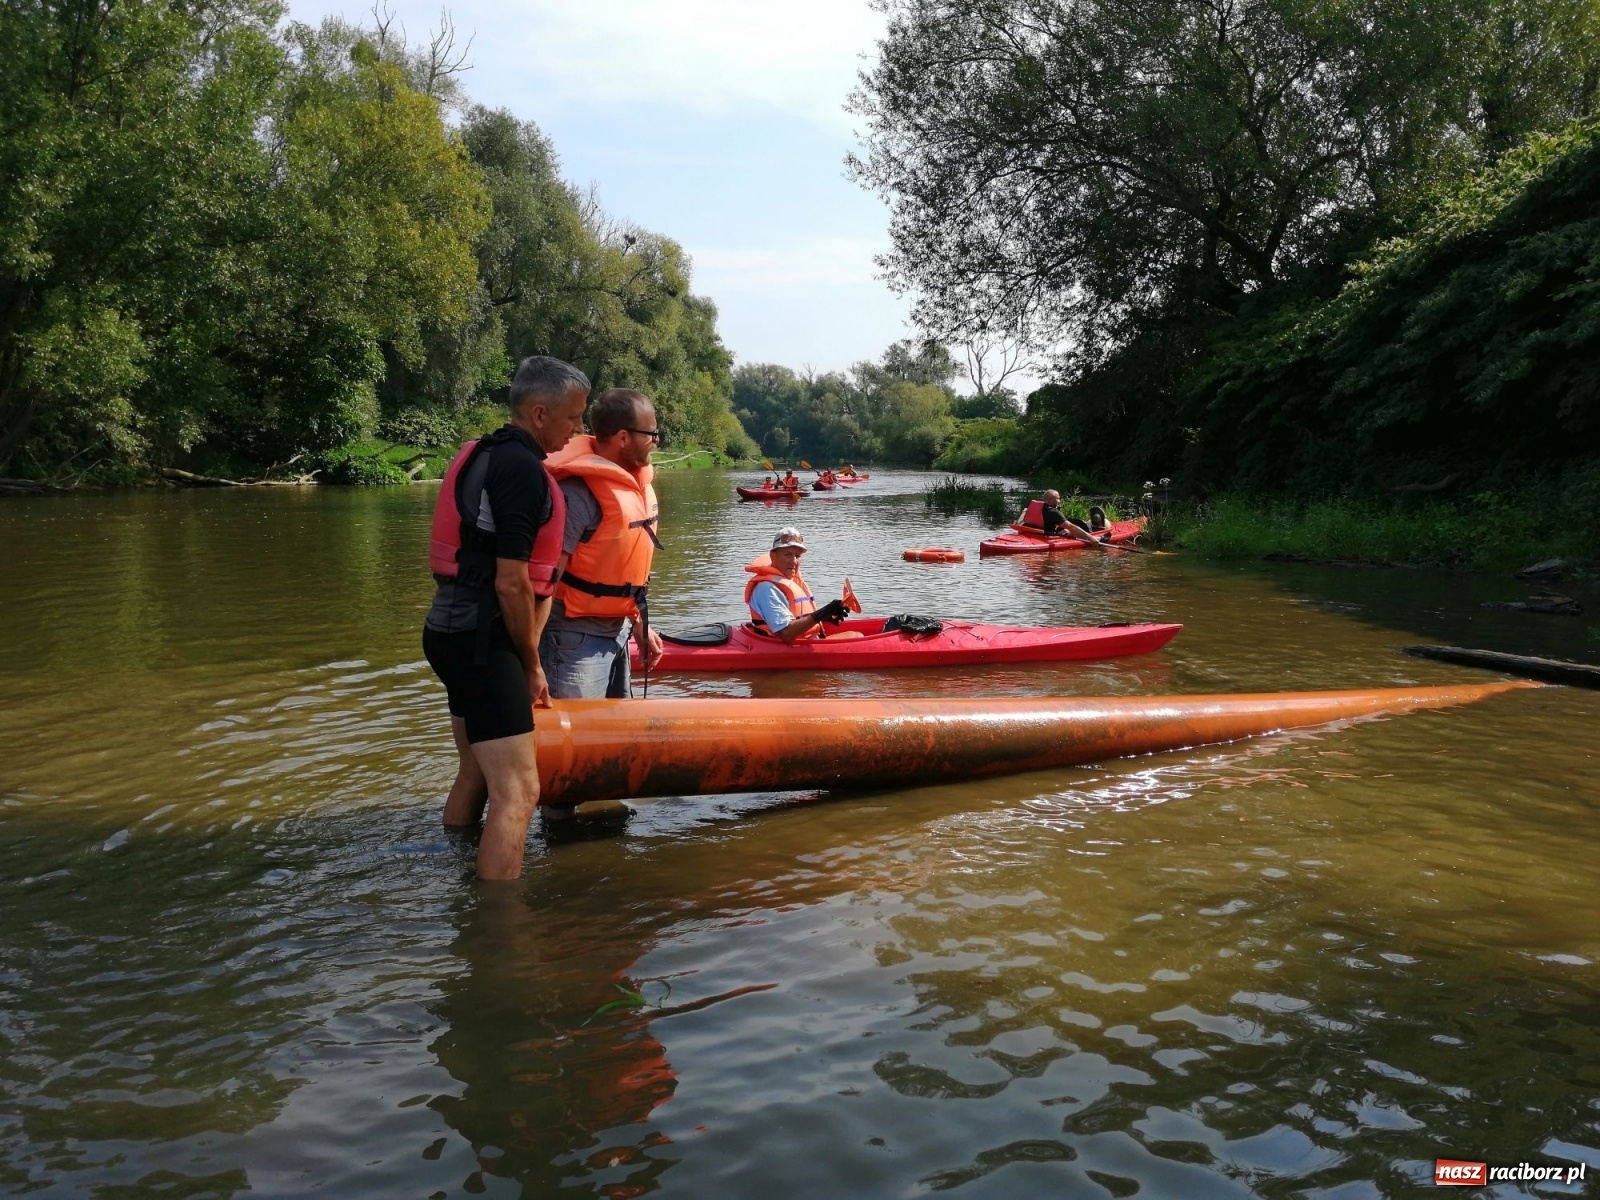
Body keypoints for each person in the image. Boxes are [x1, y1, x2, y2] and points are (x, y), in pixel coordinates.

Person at [422, 355, 589, 879]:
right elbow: (512, 581)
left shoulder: (480, 452)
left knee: (477, 767)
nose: (578, 429)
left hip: (448, 631)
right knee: (519, 790)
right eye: (572, 418)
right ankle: (499, 933)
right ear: (539, 414)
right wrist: (531, 663)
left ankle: (454, 868)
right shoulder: (521, 470)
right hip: (482, 641)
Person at [539, 388, 666, 697]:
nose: (656, 440)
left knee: (614, 740)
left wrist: (637, 621)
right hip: (573, 640)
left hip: (618, 632)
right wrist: (529, 661)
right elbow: (543, 582)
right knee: (576, 741)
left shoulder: (635, 482)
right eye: (651, 433)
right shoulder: (578, 494)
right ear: (623, 437)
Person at [743, 528, 860, 643]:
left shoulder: (790, 581)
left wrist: (826, 617)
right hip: (785, 651)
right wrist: (822, 613)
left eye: (798, 556)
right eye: (787, 554)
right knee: (857, 638)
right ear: (773, 556)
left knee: (856, 635)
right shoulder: (766, 588)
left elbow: (798, 618)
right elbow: (786, 633)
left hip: (804, 644)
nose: (794, 561)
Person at [1021, 489, 1108, 545]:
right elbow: (1071, 526)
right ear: (1051, 500)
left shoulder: (1038, 507)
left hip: (1033, 533)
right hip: (1048, 536)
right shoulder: (1053, 511)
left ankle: (1092, 530)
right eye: (1058, 499)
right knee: (1070, 529)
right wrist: (1091, 538)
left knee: (1068, 527)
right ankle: (1097, 537)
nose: (1059, 501)